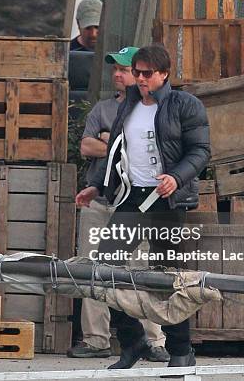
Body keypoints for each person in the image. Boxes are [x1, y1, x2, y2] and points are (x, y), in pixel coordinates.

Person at [76, 44, 210, 370]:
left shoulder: (185, 105)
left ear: (164, 74)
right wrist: (99, 186)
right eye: (136, 72)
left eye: (146, 73)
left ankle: (180, 350)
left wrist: (176, 178)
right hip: (132, 198)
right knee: (106, 268)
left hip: (166, 200)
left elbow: (201, 151)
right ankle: (132, 341)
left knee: (168, 277)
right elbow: (116, 153)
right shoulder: (131, 104)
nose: (139, 78)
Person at [67, 47, 169, 363]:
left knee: (141, 272)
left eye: (124, 68)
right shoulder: (102, 108)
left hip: (137, 206)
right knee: (92, 269)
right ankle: (95, 339)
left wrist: (110, 142)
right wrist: (119, 143)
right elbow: (86, 146)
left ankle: (154, 341)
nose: (118, 74)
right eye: (116, 68)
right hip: (99, 202)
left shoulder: (158, 109)